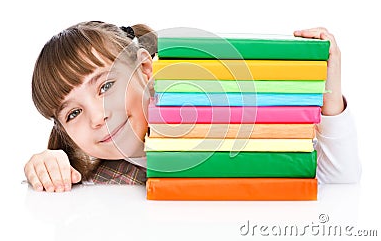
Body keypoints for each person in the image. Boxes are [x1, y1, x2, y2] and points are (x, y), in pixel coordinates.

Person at [24, 23, 361, 192]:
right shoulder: (98, 178)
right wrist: (48, 167)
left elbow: (338, 186)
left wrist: (329, 95)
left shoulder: (211, 124)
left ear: (144, 69)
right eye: (73, 113)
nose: (98, 117)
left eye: (107, 86)